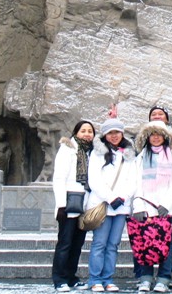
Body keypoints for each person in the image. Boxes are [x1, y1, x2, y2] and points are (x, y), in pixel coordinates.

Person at [132, 120, 172, 293]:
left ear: (165, 137)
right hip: (146, 206)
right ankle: (145, 278)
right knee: (146, 244)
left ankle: (164, 277)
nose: (156, 138)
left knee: (166, 245)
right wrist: (138, 205)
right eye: (152, 134)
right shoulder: (141, 156)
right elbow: (136, 181)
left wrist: (167, 204)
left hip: (166, 208)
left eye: (159, 134)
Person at [87, 118, 137, 293]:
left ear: (122, 133)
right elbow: (94, 179)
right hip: (102, 203)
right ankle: (94, 279)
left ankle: (108, 278)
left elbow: (133, 179)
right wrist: (111, 198)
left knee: (113, 244)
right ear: (105, 135)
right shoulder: (97, 153)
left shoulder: (129, 153)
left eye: (117, 132)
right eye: (110, 133)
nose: (114, 136)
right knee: (99, 243)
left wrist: (123, 197)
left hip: (121, 206)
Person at [52, 120, 96, 292]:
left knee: (77, 244)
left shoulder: (92, 152)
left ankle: (71, 277)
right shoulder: (68, 149)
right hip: (69, 202)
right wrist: (61, 205)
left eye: (90, 131)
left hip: (84, 204)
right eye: (83, 130)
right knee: (65, 243)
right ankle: (60, 278)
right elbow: (59, 178)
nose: (87, 134)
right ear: (76, 133)